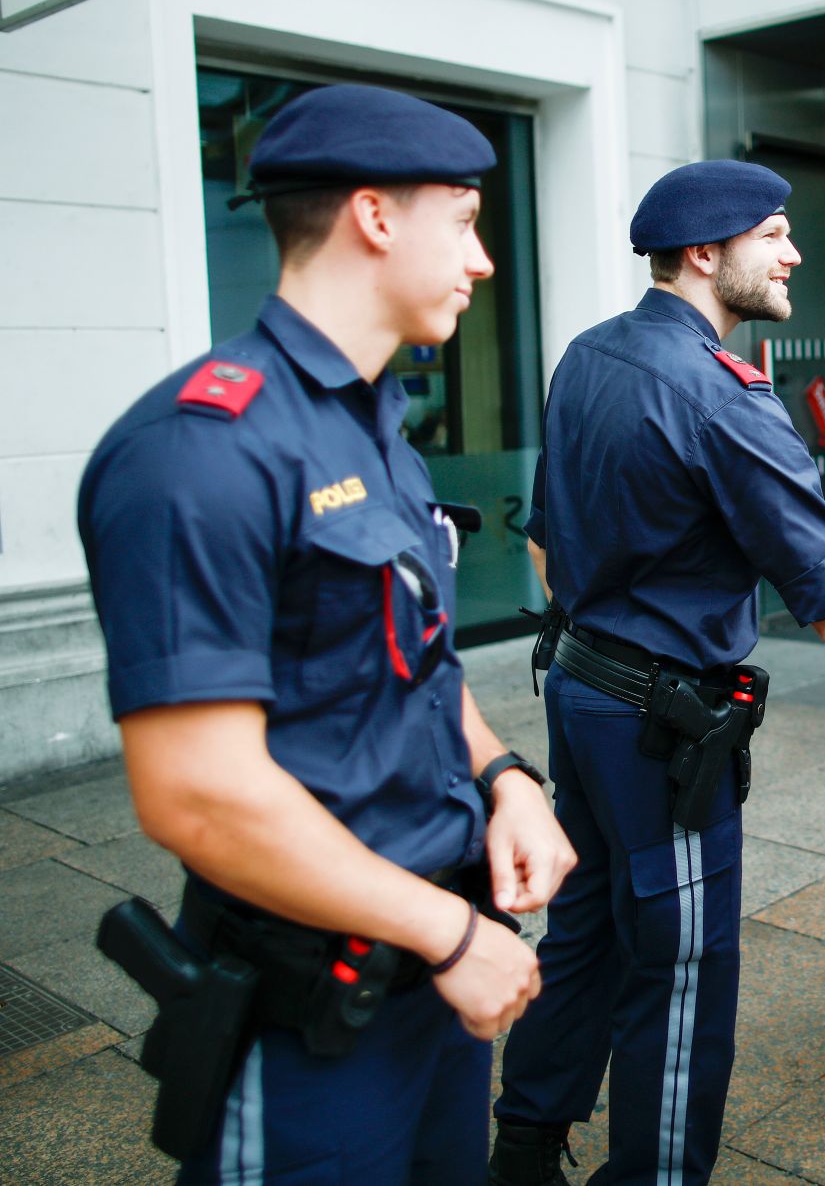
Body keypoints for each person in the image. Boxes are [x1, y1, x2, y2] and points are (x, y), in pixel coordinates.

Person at [76, 84, 577, 1183]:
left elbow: (413, 659)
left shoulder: (376, 425)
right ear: (376, 218)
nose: (485, 260)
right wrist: (448, 936)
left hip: (435, 970)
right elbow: (195, 796)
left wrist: (503, 778)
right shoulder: (200, 450)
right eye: (463, 219)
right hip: (318, 1008)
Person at [488, 160, 825, 1186]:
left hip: (579, 689)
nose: (793, 252)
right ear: (707, 256)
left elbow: (545, 543)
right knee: (678, 969)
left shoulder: (587, 355)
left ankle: (525, 1145)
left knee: (583, 929)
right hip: (659, 726)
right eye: (774, 234)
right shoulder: (722, 396)